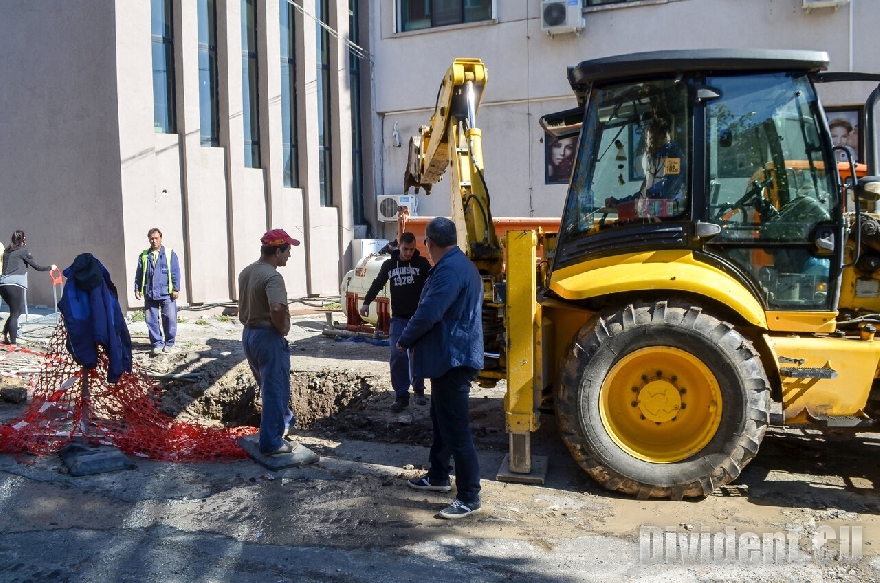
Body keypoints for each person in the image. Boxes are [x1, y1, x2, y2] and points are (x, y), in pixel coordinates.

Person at [397, 217, 484, 519]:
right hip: (451, 356)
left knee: (456, 430)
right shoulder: (461, 265)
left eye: (426, 244)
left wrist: (405, 339)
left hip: (453, 358)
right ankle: (438, 476)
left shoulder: (449, 270)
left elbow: (429, 312)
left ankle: (469, 496)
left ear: (430, 243)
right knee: (441, 419)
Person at [238, 228, 300, 456]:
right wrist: (282, 326)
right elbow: (276, 307)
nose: (289, 256)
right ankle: (272, 443)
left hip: (249, 335)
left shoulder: (247, 272)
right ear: (277, 251)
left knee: (268, 386)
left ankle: (283, 421)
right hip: (267, 336)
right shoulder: (273, 276)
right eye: (287, 250)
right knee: (275, 390)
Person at [359, 232, 432, 412]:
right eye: (405, 249)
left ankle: (419, 391)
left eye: (412, 249)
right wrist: (366, 303)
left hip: (418, 318)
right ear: (398, 246)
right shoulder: (390, 265)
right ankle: (401, 396)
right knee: (397, 354)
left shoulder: (422, 264)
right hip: (398, 318)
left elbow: (433, 284)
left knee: (418, 354)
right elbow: (377, 283)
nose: (408, 253)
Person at [0, 230, 56, 346]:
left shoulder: (7, 251)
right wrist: (51, 267)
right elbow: (37, 267)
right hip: (14, 284)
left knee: (16, 311)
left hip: (3, 285)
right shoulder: (23, 251)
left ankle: (4, 334)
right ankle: (13, 343)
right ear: (23, 240)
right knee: (15, 313)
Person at [133, 228, 181, 356]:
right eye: (151, 238)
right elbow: (139, 274)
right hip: (150, 293)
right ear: (149, 239)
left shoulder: (170, 254)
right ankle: (157, 344)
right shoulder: (144, 255)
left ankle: (169, 343)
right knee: (151, 320)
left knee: (169, 319)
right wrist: (137, 288)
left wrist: (176, 288)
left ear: (161, 238)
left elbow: (176, 272)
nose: (154, 241)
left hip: (167, 293)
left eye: (156, 238)